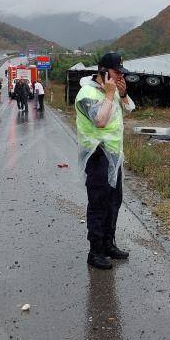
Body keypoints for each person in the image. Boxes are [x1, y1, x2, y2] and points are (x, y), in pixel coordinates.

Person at [75, 52, 136, 270]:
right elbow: (100, 121)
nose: (120, 76)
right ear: (102, 70)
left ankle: (109, 244)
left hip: (114, 155)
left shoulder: (112, 91)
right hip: (97, 155)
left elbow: (130, 109)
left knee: (114, 202)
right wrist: (110, 95)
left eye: (122, 73)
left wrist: (123, 92)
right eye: (116, 72)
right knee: (99, 204)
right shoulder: (87, 94)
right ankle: (96, 251)